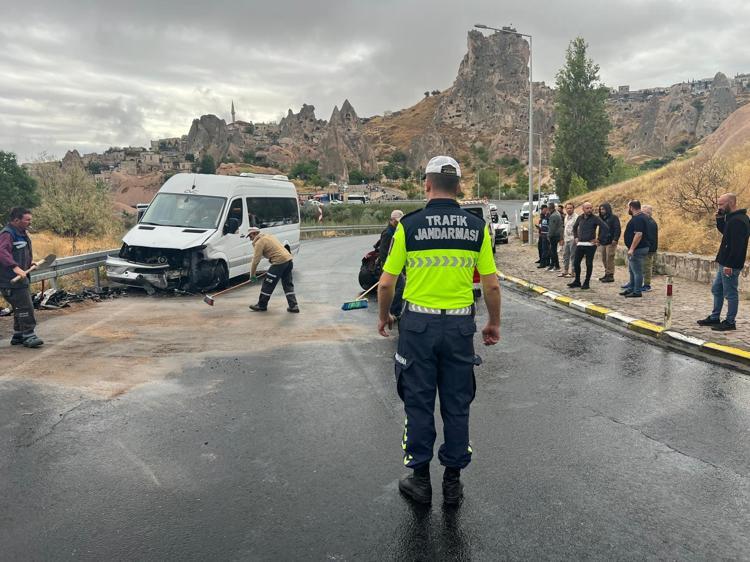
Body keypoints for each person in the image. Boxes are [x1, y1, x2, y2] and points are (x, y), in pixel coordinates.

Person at [377, 155, 501, 506]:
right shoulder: (476, 228)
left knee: (418, 402)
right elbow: (491, 285)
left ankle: (420, 481)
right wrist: (493, 322)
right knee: (456, 403)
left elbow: (385, 284)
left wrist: (384, 316)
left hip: (418, 328)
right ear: (459, 186)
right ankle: (452, 484)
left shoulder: (408, 226)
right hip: (459, 327)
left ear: (427, 184)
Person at [697, 193, 750, 331]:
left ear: (731, 203)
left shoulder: (738, 220)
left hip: (730, 264)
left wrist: (729, 265)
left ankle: (730, 322)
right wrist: (720, 218)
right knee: (717, 289)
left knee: (730, 293)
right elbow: (726, 233)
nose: (719, 206)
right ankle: (715, 317)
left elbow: (737, 246)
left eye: (721, 204)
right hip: (724, 262)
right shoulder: (733, 218)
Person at [0, 207, 43, 348]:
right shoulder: (7, 234)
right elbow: (2, 252)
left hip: (21, 279)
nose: (30, 222)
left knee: (19, 307)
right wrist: (15, 268)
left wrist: (29, 262)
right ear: (16, 220)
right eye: (27, 220)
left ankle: (18, 335)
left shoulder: (21, 233)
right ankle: (29, 335)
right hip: (11, 281)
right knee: (25, 307)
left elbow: (18, 252)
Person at [247, 227, 299, 312]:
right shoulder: (269, 236)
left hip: (279, 263)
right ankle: (294, 306)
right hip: (288, 260)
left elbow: (255, 261)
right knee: (287, 284)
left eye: (250, 236)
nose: (250, 238)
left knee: (268, 283)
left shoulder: (259, 242)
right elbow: (276, 250)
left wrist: (252, 275)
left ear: (255, 233)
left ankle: (261, 305)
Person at [569, 202, 608, 290]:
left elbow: (605, 228)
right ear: (583, 209)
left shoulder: (595, 218)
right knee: (576, 263)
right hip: (580, 244)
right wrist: (576, 237)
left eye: (590, 208)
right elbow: (574, 227)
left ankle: (586, 282)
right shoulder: (580, 217)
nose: (589, 210)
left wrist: (599, 239)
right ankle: (577, 281)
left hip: (590, 245)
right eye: (587, 208)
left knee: (589, 263)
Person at [620, 200, 651, 298]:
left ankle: (637, 291)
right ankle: (631, 288)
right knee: (632, 270)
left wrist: (632, 248)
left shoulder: (639, 218)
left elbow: (639, 234)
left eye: (628, 208)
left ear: (631, 207)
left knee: (637, 271)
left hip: (638, 248)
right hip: (639, 248)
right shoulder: (641, 217)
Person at [378, 209, 406, 317]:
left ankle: (394, 311)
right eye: (397, 221)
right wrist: (388, 268)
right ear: (392, 220)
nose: (399, 223)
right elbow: (383, 253)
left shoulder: (395, 231)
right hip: (389, 267)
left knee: (398, 287)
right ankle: (394, 312)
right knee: (400, 287)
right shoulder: (388, 233)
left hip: (394, 266)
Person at [597, 202, 621, 283]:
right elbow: (600, 230)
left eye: (603, 209)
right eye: (600, 209)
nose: (602, 211)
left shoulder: (614, 218)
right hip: (603, 241)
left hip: (611, 241)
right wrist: (598, 239)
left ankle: (610, 275)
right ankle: (607, 273)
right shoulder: (601, 218)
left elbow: (617, 229)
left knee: (609, 258)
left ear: (607, 209)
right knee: (604, 259)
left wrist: (615, 239)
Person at [641, 205, 658, 292]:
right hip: (648, 248)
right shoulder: (648, 221)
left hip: (649, 249)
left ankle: (647, 285)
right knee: (644, 267)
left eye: (643, 212)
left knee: (646, 267)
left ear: (648, 213)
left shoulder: (650, 223)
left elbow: (650, 237)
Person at [559, 203, 578, 278]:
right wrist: (562, 238)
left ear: (573, 209)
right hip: (566, 238)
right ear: (565, 209)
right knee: (565, 255)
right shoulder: (566, 217)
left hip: (573, 238)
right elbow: (565, 227)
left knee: (573, 256)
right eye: (567, 208)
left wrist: (577, 238)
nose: (569, 209)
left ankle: (573, 272)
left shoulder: (576, 217)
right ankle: (565, 270)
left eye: (570, 208)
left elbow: (578, 229)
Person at [546, 202, 563, 271]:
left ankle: (556, 265)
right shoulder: (556, 213)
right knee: (552, 251)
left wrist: (549, 235)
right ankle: (553, 265)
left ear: (550, 208)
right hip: (556, 234)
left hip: (554, 235)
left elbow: (552, 228)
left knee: (553, 251)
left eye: (548, 208)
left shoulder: (554, 215)